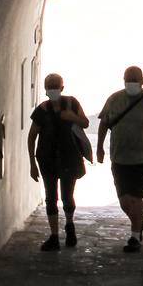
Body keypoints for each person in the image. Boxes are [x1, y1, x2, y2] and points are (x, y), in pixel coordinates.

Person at [97, 65, 143, 253]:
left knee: (136, 196)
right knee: (124, 200)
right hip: (119, 157)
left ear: (142, 81)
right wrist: (99, 146)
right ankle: (138, 223)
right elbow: (104, 123)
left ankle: (134, 236)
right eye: (128, 79)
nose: (131, 83)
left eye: (134, 80)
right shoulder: (115, 99)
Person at [28, 72, 90, 251]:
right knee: (50, 197)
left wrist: (73, 118)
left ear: (62, 88)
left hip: (69, 156)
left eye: (55, 86)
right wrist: (32, 163)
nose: (53, 89)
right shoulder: (42, 110)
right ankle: (54, 235)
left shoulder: (71, 103)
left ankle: (69, 225)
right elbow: (32, 136)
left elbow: (85, 123)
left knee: (67, 195)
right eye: (50, 86)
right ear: (46, 90)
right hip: (47, 158)